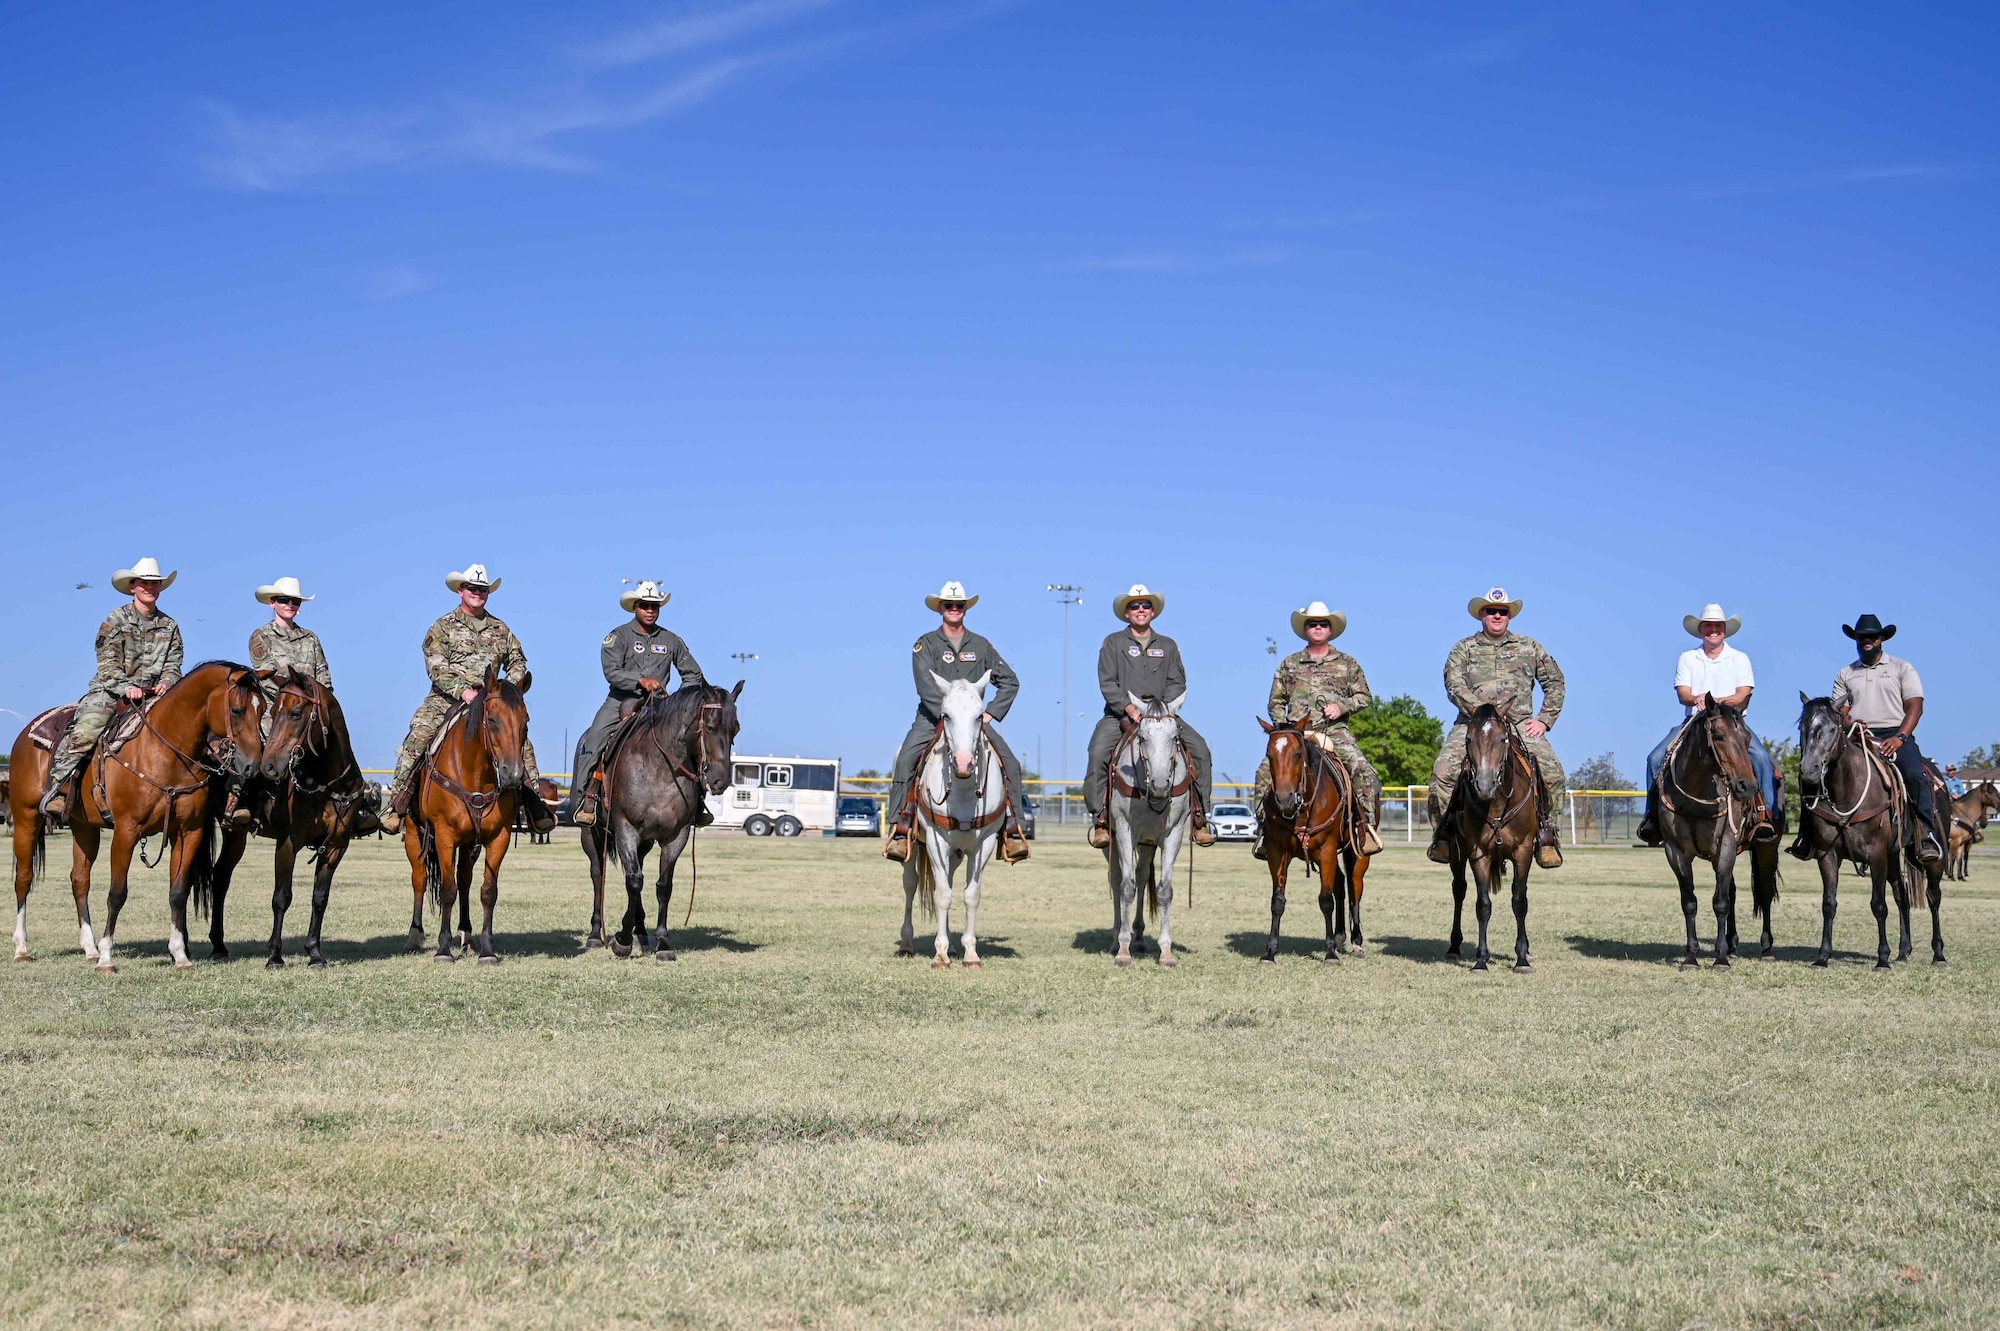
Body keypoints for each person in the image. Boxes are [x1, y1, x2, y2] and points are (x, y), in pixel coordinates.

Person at [380, 563, 555, 836]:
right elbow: (435, 666)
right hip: (446, 699)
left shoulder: (501, 629)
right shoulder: (442, 627)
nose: (478, 593)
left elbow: (518, 660)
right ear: (461, 590)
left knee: (520, 741)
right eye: (472, 588)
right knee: (418, 735)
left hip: (490, 700)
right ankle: (396, 805)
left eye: (482, 589)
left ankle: (534, 804)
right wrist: (463, 690)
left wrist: (507, 689)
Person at [883, 581, 1031, 864]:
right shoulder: (924, 644)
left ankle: (1013, 830)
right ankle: (900, 830)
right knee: (906, 760)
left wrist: (989, 713)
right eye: (949, 605)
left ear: (965, 609)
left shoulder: (982, 645)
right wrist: (947, 713)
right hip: (932, 718)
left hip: (972, 723)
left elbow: (1010, 681)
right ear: (940, 608)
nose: (954, 609)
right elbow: (925, 686)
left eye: (959, 605)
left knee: (1011, 763)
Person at [1426, 587, 1568, 869]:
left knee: (1554, 774)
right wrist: (1482, 714)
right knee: (1441, 775)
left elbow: (1555, 683)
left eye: (1502, 612)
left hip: (1518, 725)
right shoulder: (1463, 648)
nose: (1497, 615)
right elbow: (1454, 685)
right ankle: (1445, 834)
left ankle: (1547, 836)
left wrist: (1544, 720)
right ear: (1482, 614)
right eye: (1491, 611)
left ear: (1509, 616)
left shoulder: (1530, 647)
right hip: (1472, 725)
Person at [40, 557, 184, 829]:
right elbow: (107, 665)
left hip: (155, 694)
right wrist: (125, 687)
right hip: (111, 691)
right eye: (145, 583)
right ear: (133, 587)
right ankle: (59, 788)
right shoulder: (115, 620)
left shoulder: (170, 625)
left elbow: (174, 663)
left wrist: (168, 681)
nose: (150, 588)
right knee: (87, 729)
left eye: (155, 584)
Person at [1796, 612, 1943, 866]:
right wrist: (1851, 722)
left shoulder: (1901, 667)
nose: (1867, 640)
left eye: (1872, 636)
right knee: (1815, 772)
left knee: (1914, 775)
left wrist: (1900, 737)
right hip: (1856, 735)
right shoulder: (1846, 673)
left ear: (1881, 639)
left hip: (1895, 733)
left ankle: (1925, 834)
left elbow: (1915, 706)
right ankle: (1807, 836)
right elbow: (1838, 711)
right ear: (1856, 639)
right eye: (1862, 637)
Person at [1636, 603, 1779, 847]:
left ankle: (1763, 815)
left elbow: (1743, 694)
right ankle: (1653, 818)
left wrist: (1715, 702)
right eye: (1709, 626)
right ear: (1701, 630)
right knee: (1654, 758)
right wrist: (1697, 699)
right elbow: (1683, 693)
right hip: (1694, 721)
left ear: (1725, 630)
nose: (1713, 630)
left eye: (1718, 626)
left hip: (1732, 723)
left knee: (1762, 759)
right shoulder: (1688, 658)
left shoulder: (1739, 658)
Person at [1084, 585, 1216, 850]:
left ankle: (1201, 819)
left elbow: (1178, 682)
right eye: (1134, 606)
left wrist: (1163, 711)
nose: (1140, 610)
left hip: (1162, 716)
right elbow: (1107, 682)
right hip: (1121, 714)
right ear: (1126, 612)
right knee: (1098, 751)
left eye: (1145, 605)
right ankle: (1100, 818)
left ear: (1153, 612)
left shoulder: (1168, 645)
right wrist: (1127, 708)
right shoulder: (1113, 642)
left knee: (1201, 750)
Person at [1252, 601, 1385, 858]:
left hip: (1334, 732)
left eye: (1323, 623)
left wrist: (1342, 706)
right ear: (1305, 629)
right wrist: (1283, 729)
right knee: (1263, 774)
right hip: (1296, 734)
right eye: (1312, 623)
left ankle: (1365, 828)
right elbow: (1275, 701)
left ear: (1330, 629)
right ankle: (1265, 832)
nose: (1317, 627)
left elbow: (1364, 696)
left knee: (1363, 770)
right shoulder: (1289, 664)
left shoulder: (1347, 663)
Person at [571, 580, 707, 828]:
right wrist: (639, 680)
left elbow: (694, 674)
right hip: (620, 701)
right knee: (594, 742)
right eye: (645, 605)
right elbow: (611, 672)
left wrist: (679, 701)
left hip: (660, 706)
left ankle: (699, 804)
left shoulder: (672, 640)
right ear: (635, 607)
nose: (650, 610)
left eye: (655, 606)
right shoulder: (617, 636)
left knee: (693, 743)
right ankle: (585, 799)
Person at [225, 575, 337, 827]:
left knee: (337, 741)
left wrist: (319, 704)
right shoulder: (261, 636)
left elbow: (324, 679)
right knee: (261, 742)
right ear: (272, 603)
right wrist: (294, 699)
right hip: (273, 709)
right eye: (284, 600)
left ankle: (351, 804)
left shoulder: (311, 639)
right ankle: (245, 800)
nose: (290, 605)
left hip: (309, 712)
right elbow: (266, 676)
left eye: (295, 601)